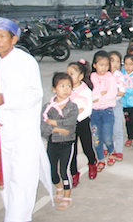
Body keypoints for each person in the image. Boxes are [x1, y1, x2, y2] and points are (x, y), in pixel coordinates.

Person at [0, 17, 52, 221]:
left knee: (23, 179)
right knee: (6, 180)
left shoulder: (26, 62)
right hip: (0, 132)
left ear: (14, 39)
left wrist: (5, 99)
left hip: (23, 132)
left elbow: (35, 94)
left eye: (1, 36)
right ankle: (14, 215)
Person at [41, 72, 78, 210]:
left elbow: (70, 125)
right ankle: (59, 187)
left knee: (64, 171)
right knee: (51, 171)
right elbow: (43, 127)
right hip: (52, 143)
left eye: (69, 86)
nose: (66, 89)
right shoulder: (47, 107)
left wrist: (53, 122)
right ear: (53, 89)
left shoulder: (72, 107)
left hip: (67, 143)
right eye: (62, 86)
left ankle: (67, 196)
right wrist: (57, 129)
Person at [67, 59, 98, 183]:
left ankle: (92, 163)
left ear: (80, 76)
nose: (68, 76)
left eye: (71, 73)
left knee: (87, 147)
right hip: (69, 124)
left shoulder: (86, 91)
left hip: (82, 123)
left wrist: (76, 117)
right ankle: (74, 173)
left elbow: (88, 110)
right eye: (67, 73)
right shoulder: (65, 89)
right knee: (71, 151)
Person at [90, 50, 117, 171]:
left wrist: (99, 97)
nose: (104, 68)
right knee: (96, 138)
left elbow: (112, 94)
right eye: (101, 65)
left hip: (107, 111)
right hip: (94, 112)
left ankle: (111, 151)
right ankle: (100, 159)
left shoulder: (111, 77)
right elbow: (92, 93)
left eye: (106, 65)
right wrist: (98, 95)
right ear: (94, 65)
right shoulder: (92, 77)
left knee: (107, 136)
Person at [109, 51, 126, 162]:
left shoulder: (120, 75)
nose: (115, 64)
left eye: (118, 61)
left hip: (116, 104)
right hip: (105, 105)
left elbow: (122, 92)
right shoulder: (104, 75)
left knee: (118, 129)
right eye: (112, 60)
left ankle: (119, 150)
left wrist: (109, 93)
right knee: (106, 129)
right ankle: (107, 149)